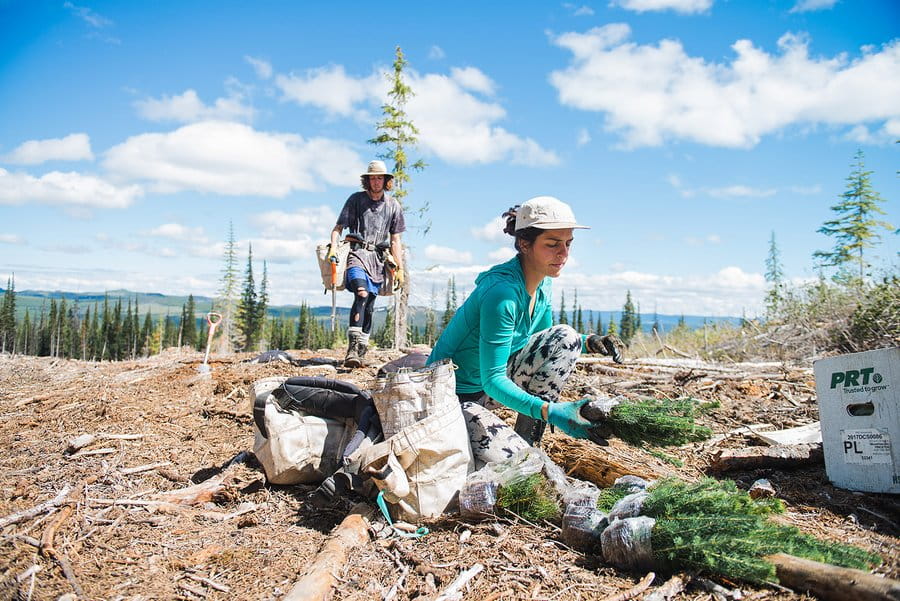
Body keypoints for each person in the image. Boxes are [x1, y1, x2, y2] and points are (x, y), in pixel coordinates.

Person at [428, 196, 623, 448]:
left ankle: (529, 444)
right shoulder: (502, 294)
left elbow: (545, 341)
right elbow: (493, 379)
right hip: (449, 397)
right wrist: (550, 411)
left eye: (568, 243)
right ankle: (520, 450)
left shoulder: (543, 283)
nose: (563, 253)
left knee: (566, 336)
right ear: (524, 244)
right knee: (506, 458)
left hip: (485, 392)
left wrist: (591, 342)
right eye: (552, 244)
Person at [329, 160, 406, 367]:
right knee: (361, 293)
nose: (376, 181)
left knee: (370, 305)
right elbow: (338, 228)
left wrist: (399, 269)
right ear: (367, 180)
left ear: (386, 180)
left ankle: (361, 351)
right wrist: (333, 248)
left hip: (378, 260)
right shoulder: (356, 200)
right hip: (357, 253)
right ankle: (352, 348)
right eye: (372, 177)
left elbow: (395, 240)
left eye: (380, 177)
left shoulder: (393, 206)